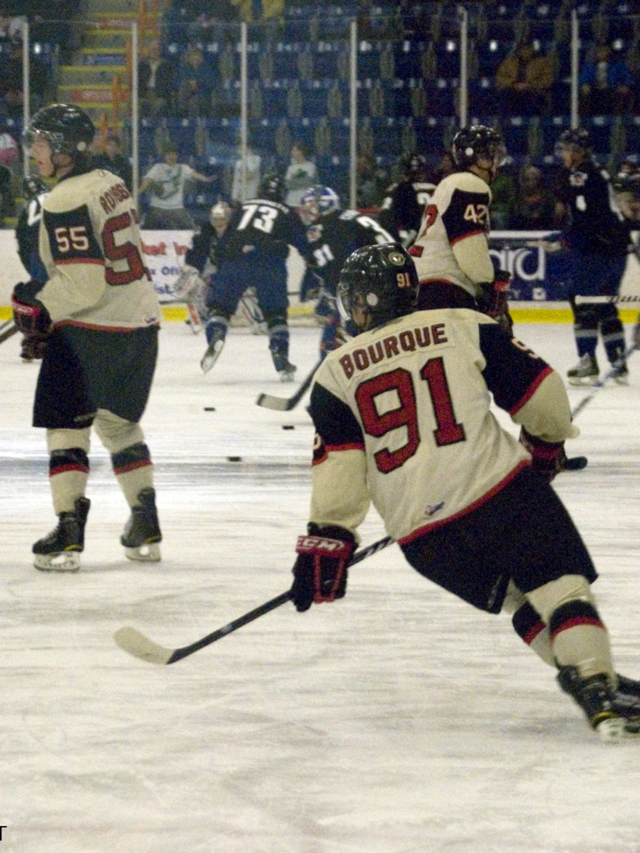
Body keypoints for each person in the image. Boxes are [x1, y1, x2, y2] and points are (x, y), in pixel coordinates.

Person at [288, 241, 640, 741]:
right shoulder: (461, 323)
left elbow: (339, 469)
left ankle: (587, 678)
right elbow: (542, 394)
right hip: (498, 491)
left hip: (424, 539)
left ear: (362, 301)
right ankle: (594, 681)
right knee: (559, 586)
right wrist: (546, 445)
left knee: (521, 601)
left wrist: (327, 540)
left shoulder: (333, 372)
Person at [11, 103, 162, 572]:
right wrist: (46, 316)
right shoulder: (112, 181)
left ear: (65, 150)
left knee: (66, 427)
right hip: (140, 326)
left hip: (92, 334)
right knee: (118, 426)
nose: (32, 151)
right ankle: (145, 520)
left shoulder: (63, 199)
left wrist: (40, 311)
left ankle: (68, 529)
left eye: (40, 144)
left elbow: (83, 282)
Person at [200, 172, 311, 380]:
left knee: (220, 307)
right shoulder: (287, 212)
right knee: (275, 313)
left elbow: (226, 238)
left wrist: (219, 262)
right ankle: (280, 356)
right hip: (269, 261)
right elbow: (303, 244)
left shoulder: (244, 206)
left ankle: (216, 333)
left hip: (235, 258)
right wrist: (313, 263)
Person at [408, 125, 512, 333]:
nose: (495, 163)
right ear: (476, 157)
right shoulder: (470, 184)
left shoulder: (450, 184)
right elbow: (469, 249)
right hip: (443, 289)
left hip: (423, 285)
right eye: (490, 155)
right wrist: (486, 285)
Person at [552, 128, 631, 385]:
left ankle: (587, 360)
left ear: (578, 152)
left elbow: (587, 219)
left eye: (566, 149)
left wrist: (565, 240)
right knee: (604, 302)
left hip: (601, 249)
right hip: (618, 249)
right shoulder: (598, 171)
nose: (562, 154)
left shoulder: (580, 175)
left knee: (581, 299)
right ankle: (618, 362)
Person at [299, 184, 395, 359]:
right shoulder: (350, 217)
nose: (308, 214)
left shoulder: (325, 226)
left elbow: (335, 266)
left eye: (311, 207)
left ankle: (334, 383)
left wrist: (328, 291)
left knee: (330, 347)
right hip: (392, 277)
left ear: (322, 205)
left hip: (367, 286)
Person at [139, 142, 214, 230]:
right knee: (144, 228)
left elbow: (194, 174)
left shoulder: (183, 168)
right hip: (157, 206)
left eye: (174, 154)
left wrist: (205, 179)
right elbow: (148, 180)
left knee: (193, 229)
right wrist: (139, 190)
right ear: (164, 156)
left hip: (176, 207)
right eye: (168, 154)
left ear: (177, 155)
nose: (171, 157)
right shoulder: (157, 167)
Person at [377, 152, 435, 247]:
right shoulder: (436, 188)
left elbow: (385, 217)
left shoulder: (399, 189)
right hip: (436, 241)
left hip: (411, 241)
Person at [496, 40, 554, 116]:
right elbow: (500, 78)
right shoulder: (509, 62)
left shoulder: (542, 63)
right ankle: (504, 123)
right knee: (505, 96)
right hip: (513, 90)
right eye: (523, 49)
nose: (525, 51)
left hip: (533, 90)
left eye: (528, 48)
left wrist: (530, 85)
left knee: (535, 100)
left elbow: (547, 80)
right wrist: (513, 84)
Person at [579, 43, 634, 116]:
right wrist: (584, 85)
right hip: (595, 91)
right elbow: (583, 79)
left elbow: (628, 76)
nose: (601, 53)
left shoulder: (618, 65)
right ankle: (583, 120)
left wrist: (625, 85)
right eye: (599, 51)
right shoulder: (590, 66)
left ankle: (617, 120)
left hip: (612, 90)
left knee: (620, 96)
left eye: (604, 50)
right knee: (584, 95)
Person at [15, 174, 49, 285]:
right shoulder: (59, 195)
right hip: (65, 248)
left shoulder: (28, 206)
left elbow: (21, 238)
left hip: (37, 248)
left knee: (41, 290)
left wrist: (29, 265)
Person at [512, 164, 557, 231]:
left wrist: (538, 212)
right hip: (524, 219)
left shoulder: (544, 192)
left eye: (534, 179)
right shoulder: (520, 193)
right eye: (528, 180)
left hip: (541, 219)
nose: (531, 182)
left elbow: (547, 205)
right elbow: (518, 206)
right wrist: (528, 213)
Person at [138, 39, 176, 119]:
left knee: (160, 104)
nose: (154, 52)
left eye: (157, 49)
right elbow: (137, 82)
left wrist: (163, 93)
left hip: (159, 95)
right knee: (140, 104)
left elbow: (169, 84)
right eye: (152, 49)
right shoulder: (142, 65)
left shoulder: (167, 66)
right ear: (149, 50)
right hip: (144, 93)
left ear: (160, 51)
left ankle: (151, 125)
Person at [284, 141, 318, 208]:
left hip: (305, 202)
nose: (291, 152)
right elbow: (288, 184)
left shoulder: (311, 166)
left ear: (300, 152)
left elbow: (308, 181)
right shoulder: (290, 168)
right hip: (291, 202)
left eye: (294, 150)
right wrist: (301, 180)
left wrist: (294, 180)